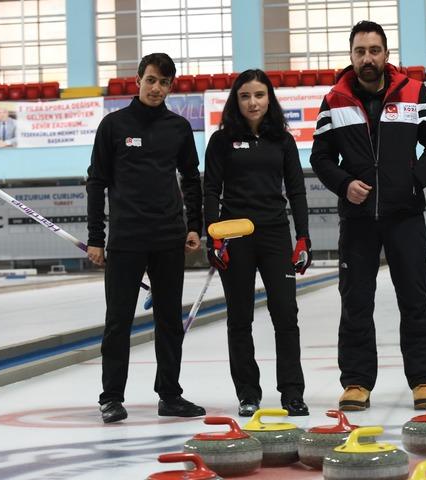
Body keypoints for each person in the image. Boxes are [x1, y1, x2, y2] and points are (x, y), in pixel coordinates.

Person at [310, 20, 426, 411]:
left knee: (415, 296)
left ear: (386, 54)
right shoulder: (334, 100)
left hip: (404, 215)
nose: (367, 58)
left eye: (374, 50)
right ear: (351, 55)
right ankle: (356, 382)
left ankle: (424, 380)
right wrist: (344, 184)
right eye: (360, 51)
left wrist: (415, 180)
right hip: (357, 219)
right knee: (356, 300)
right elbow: (320, 157)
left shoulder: (412, 92)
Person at [86, 52, 206, 423]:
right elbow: (97, 182)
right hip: (126, 239)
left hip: (168, 238)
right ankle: (111, 397)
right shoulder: (113, 126)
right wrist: (96, 237)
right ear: (137, 79)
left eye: (165, 82)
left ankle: (170, 394)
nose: (157, 88)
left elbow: (191, 178)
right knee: (118, 320)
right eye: (151, 80)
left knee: (169, 320)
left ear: (171, 86)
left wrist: (193, 226)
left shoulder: (178, 128)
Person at [203, 69, 312, 417]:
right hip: (235, 236)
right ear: (236, 100)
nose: (253, 102)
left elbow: (296, 190)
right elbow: (210, 191)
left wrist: (303, 237)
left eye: (260, 95)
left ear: (270, 99)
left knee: (286, 314)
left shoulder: (282, 140)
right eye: (245, 96)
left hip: (275, 235)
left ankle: (292, 393)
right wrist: (213, 236)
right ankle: (248, 393)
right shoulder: (221, 142)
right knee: (240, 318)